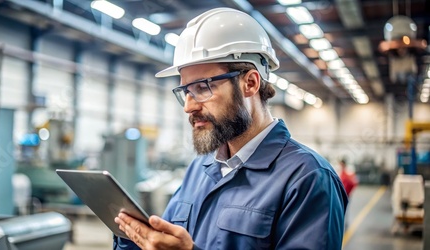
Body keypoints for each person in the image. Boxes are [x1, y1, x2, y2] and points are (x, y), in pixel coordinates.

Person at [114, 7, 348, 250]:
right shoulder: (200, 168)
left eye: (202, 87)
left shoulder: (307, 178)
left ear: (250, 83)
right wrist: (134, 238)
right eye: (185, 91)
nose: (188, 106)